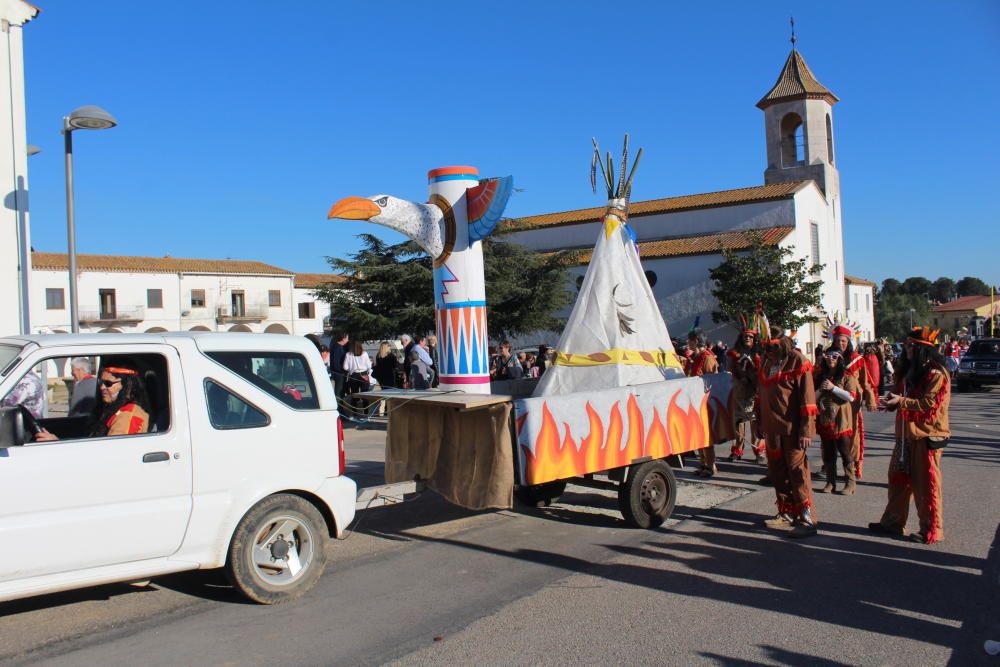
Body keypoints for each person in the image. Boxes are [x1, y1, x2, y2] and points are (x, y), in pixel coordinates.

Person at [869, 326, 951, 545]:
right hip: (905, 436)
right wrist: (891, 403)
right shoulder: (908, 372)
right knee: (898, 480)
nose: (906, 349)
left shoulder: (936, 373)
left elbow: (929, 403)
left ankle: (932, 529)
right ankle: (893, 522)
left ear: (923, 349)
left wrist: (901, 402)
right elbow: (901, 397)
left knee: (926, 485)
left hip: (926, 437)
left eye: (911, 346)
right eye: (906, 345)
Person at [758, 326, 818, 538]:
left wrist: (806, 430)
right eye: (765, 347)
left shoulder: (798, 360)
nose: (768, 351)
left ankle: (806, 518)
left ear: (782, 343)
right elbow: (761, 395)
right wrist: (760, 425)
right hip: (772, 429)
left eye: (772, 347)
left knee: (797, 473)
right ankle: (786, 514)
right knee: (778, 472)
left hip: (792, 429)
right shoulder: (765, 362)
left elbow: (807, 399)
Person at [36, 361, 151, 440]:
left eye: (108, 384)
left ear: (127, 385)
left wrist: (57, 443)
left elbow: (111, 453)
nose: (102, 387)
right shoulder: (111, 409)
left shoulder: (129, 414)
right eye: (101, 382)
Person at [828, 323, 876, 480]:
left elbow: (866, 381)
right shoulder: (828, 357)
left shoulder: (857, 360)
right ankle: (829, 467)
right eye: (838, 341)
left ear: (848, 342)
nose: (840, 344)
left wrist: (871, 399)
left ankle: (854, 465)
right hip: (832, 403)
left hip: (852, 403)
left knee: (853, 434)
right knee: (829, 433)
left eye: (844, 341)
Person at [815, 349, 860, 495]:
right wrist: (821, 390)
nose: (831, 359)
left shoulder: (847, 376)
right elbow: (813, 396)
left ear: (840, 359)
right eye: (828, 356)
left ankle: (850, 483)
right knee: (828, 453)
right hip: (826, 419)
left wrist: (833, 388)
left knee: (845, 451)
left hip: (842, 420)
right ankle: (830, 482)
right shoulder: (820, 376)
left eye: (834, 356)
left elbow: (851, 397)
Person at [726, 327, 765, 464]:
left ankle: (758, 451)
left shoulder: (760, 354)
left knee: (756, 424)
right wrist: (740, 378)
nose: (747, 338)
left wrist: (752, 374)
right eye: (745, 337)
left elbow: (762, 374)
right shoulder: (735, 354)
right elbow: (730, 371)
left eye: (750, 337)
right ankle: (737, 449)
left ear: (755, 339)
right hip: (740, 392)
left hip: (755, 393)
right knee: (738, 423)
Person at [685, 330, 719, 477]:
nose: (688, 343)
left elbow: (714, 382)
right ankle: (703, 463)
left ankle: (711, 466)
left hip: (705, 403)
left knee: (706, 436)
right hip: (695, 403)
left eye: (691, 340)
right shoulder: (696, 358)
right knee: (698, 435)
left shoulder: (708, 359)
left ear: (697, 341)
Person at [342, 341, 373, 406]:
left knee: (354, 395)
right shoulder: (364, 353)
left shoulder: (348, 354)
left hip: (353, 375)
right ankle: (365, 413)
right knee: (365, 395)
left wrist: (351, 369)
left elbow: (345, 367)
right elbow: (369, 366)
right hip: (364, 375)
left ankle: (354, 413)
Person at [330, 332, 349, 398]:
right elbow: (335, 363)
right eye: (347, 338)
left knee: (342, 392)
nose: (347, 340)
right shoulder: (337, 348)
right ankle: (339, 407)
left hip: (340, 373)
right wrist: (343, 370)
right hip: (338, 373)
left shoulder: (340, 347)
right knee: (339, 392)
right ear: (343, 338)